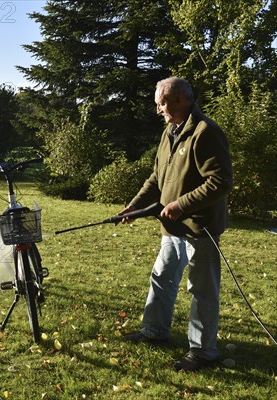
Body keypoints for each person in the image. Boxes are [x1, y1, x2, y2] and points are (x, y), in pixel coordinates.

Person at [120, 77, 233, 372]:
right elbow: (157, 178)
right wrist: (134, 205)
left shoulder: (206, 132)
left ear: (179, 100)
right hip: (172, 229)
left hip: (200, 228)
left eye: (161, 104)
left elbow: (220, 182)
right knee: (162, 277)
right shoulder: (169, 132)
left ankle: (204, 351)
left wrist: (181, 204)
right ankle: (154, 332)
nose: (158, 110)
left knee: (201, 290)